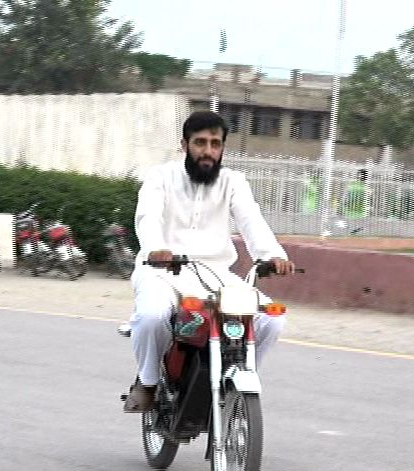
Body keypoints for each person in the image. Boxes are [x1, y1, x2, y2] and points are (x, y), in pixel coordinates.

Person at [123, 111, 296, 413]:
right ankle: (148, 382)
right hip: (162, 271)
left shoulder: (233, 182)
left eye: (215, 143)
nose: (207, 151)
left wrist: (271, 255)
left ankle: (238, 380)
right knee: (152, 316)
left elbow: (251, 219)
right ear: (184, 145)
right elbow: (148, 216)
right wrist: (156, 248)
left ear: (223, 148)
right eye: (200, 142)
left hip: (216, 275)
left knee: (271, 318)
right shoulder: (160, 177)